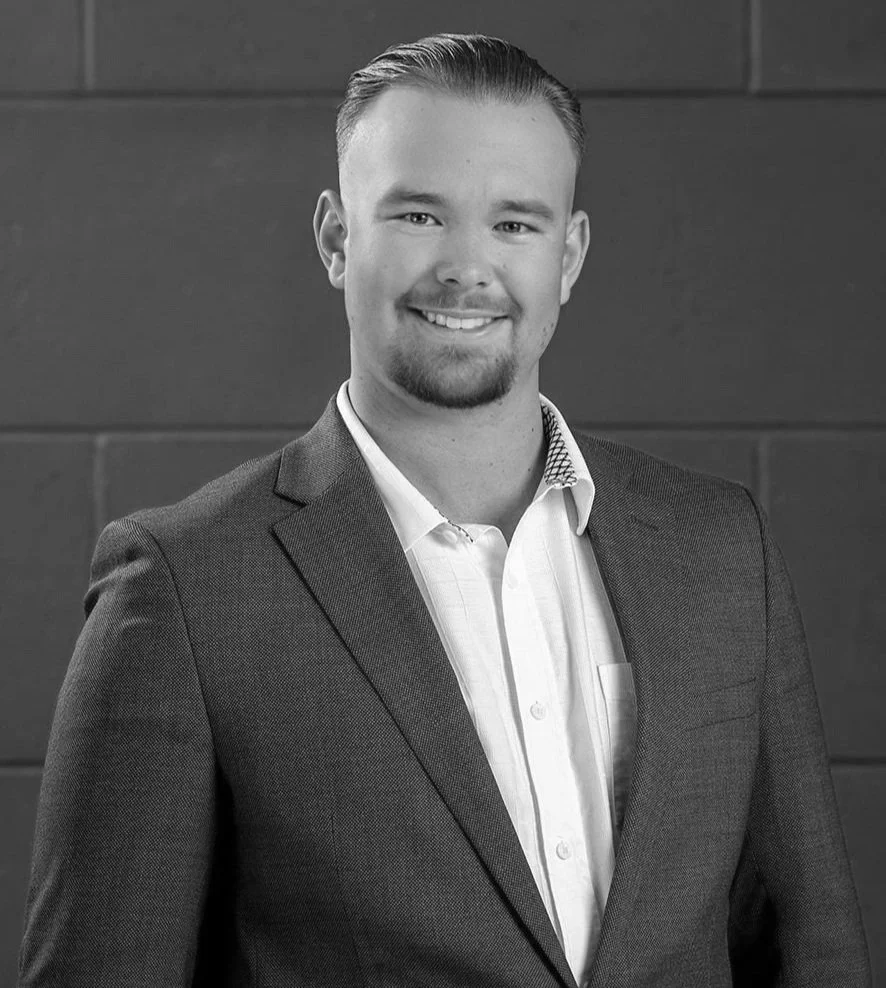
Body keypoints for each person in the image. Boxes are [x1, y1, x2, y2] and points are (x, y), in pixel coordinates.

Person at [19, 33, 871, 988]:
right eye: (421, 213)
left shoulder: (721, 552)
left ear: (571, 254)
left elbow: (814, 952)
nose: (468, 268)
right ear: (338, 239)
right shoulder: (185, 587)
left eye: (515, 224)